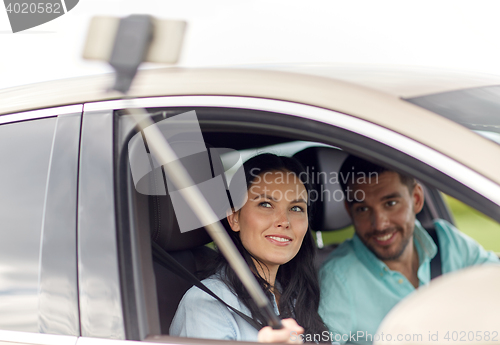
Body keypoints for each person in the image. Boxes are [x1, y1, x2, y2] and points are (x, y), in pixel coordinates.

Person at [318, 155, 499, 345]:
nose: (379, 224)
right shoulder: (338, 279)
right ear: (349, 210)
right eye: (363, 209)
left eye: (390, 204)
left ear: (417, 199)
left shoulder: (447, 241)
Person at [170, 153, 329, 343]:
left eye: (296, 208)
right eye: (266, 204)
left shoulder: (296, 297)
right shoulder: (205, 304)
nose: (284, 221)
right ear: (234, 217)